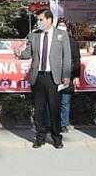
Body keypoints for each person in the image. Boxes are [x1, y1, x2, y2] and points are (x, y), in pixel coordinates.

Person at [16, 9, 72, 149]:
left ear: (49, 20)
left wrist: (66, 75)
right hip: (38, 76)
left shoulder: (61, 35)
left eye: (41, 19)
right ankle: (40, 137)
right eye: (38, 20)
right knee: (39, 109)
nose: (39, 22)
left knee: (54, 109)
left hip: (54, 77)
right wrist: (19, 53)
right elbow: (28, 53)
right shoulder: (34, 35)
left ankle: (56, 137)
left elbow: (67, 57)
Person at [58, 20, 81, 132]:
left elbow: (77, 60)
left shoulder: (72, 42)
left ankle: (63, 124)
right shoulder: (52, 40)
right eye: (59, 27)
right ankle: (50, 123)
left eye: (63, 27)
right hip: (54, 75)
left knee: (65, 101)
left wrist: (77, 75)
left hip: (68, 74)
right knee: (51, 101)